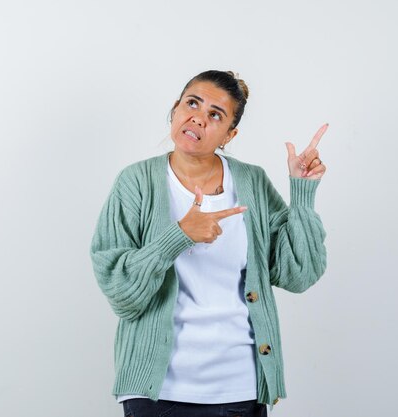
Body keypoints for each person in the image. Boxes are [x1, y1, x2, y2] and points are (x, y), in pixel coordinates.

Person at [89, 70, 328, 417]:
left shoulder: (252, 182)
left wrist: (302, 194)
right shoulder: (135, 183)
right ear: (175, 109)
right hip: (160, 393)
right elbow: (120, 291)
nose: (198, 118)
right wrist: (179, 235)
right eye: (192, 103)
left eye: (215, 114)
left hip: (241, 388)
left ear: (229, 134)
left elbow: (299, 274)